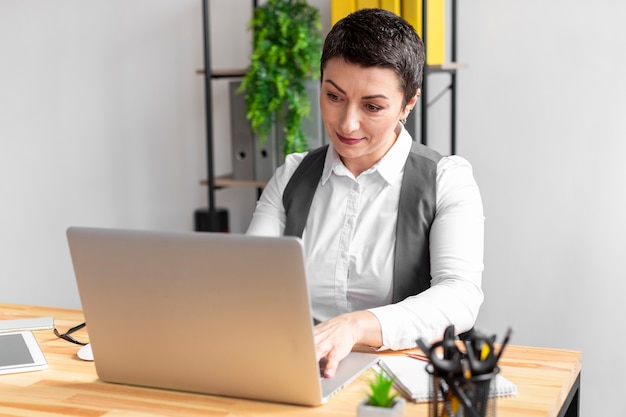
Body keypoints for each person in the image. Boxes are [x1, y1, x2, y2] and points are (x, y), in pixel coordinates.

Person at [246, 8, 484, 378]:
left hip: (397, 377)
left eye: (372, 106)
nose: (347, 123)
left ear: (409, 103)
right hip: (298, 368)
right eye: (334, 96)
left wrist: (355, 326)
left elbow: (459, 296)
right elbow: (249, 278)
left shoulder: (447, 180)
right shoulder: (293, 174)